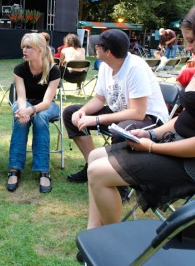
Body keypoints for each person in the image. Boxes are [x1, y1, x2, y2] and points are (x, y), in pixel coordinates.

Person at [83, 2, 195, 237]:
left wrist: (151, 146)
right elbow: (183, 119)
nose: (188, 47)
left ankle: (113, 238)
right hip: (172, 146)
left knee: (99, 172)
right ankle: (93, 231)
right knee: (95, 157)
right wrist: (150, 134)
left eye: (191, 41)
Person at [64, 29, 169, 184]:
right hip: (121, 113)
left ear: (108, 51)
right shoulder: (106, 65)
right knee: (70, 112)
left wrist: (97, 119)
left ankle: (117, 180)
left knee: (122, 131)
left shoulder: (135, 67)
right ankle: (92, 166)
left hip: (150, 118)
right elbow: (99, 99)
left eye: (98, 45)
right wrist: (82, 111)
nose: (95, 47)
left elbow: (138, 113)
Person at [6, 33, 60, 193]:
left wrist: (30, 111)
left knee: (40, 117)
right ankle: (14, 168)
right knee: (18, 110)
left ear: (40, 50)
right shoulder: (20, 69)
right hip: (26, 102)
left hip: (46, 106)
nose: (24, 50)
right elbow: (21, 97)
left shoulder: (53, 70)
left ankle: (43, 170)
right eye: (23, 46)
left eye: (29, 47)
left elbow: (46, 103)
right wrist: (23, 110)